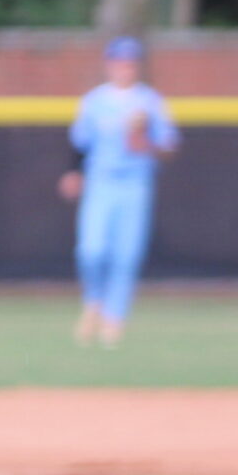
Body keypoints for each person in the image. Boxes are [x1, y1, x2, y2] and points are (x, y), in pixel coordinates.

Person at [60, 36, 180, 347]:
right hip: (101, 181)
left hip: (136, 183)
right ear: (109, 64)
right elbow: (79, 143)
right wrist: (74, 172)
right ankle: (94, 302)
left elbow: (169, 147)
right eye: (119, 61)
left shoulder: (150, 101)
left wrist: (146, 144)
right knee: (91, 249)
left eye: (130, 62)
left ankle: (115, 318)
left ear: (136, 66)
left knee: (127, 254)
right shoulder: (95, 101)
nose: (124, 68)